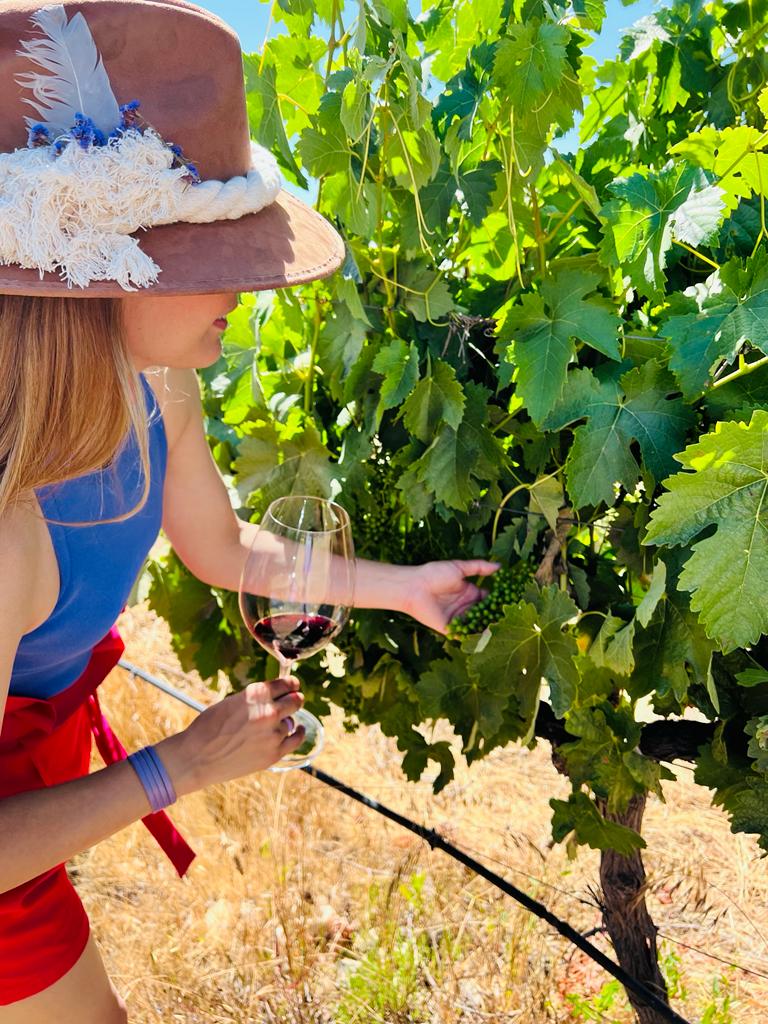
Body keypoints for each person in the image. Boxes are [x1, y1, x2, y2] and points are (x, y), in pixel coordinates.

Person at [0, 2, 499, 1021]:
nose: (249, 288)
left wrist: (405, 588)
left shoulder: (159, 390)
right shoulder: (8, 528)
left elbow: (226, 549)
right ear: (102, 277)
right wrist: (181, 764)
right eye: (213, 261)